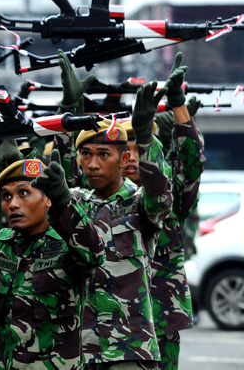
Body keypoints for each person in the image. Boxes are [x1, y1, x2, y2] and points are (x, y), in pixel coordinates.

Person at [52, 52, 173, 370]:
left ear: (123, 160)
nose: (92, 163)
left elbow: (161, 196)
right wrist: (67, 111)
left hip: (129, 351)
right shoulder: (76, 202)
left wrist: (145, 137)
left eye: (103, 154)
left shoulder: (138, 203)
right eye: (85, 154)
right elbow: (51, 182)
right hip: (77, 351)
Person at [0, 150, 105, 369]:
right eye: (6, 196)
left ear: (48, 198)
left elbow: (94, 256)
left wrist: (64, 201)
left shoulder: (68, 243)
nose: (12, 204)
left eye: (23, 193)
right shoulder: (0, 244)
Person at [122, 53, 205, 370]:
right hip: (108, 323)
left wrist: (177, 106)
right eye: (123, 150)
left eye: (138, 147)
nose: (131, 157)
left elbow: (192, 165)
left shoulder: (169, 198)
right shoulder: (94, 199)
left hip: (160, 313)